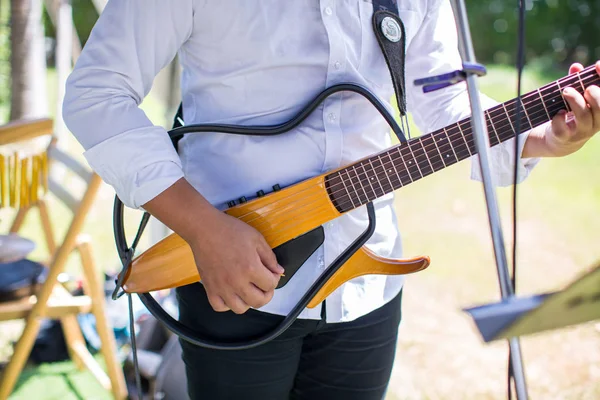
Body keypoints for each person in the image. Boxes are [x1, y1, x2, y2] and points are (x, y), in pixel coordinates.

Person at [62, 0, 600, 399]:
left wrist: (542, 139)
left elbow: (445, 104)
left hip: (365, 286)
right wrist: (203, 229)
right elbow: (97, 92)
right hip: (233, 278)